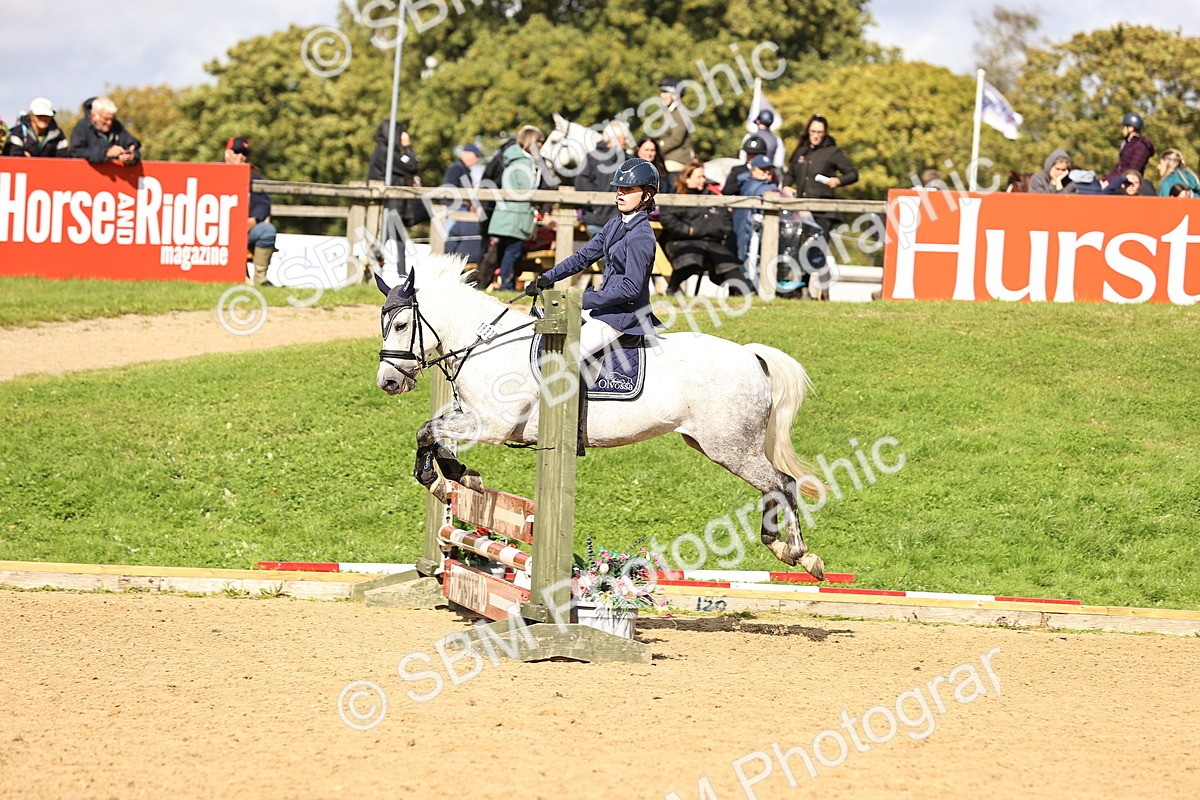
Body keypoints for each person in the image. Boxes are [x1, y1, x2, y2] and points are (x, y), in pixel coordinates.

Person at [525, 157, 662, 370]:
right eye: (619, 188)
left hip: (624, 317)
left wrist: (585, 299)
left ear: (647, 194)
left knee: (563, 359)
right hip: (606, 308)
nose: (620, 193)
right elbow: (582, 258)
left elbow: (631, 288)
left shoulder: (641, 236)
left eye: (629, 189)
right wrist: (546, 278)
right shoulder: (615, 224)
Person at [659, 160, 749, 296]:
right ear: (687, 178)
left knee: (731, 268)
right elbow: (667, 218)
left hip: (712, 244)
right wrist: (689, 230)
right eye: (699, 177)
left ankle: (740, 296)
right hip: (682, 242)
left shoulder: (712, 197)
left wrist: (701, 230)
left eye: (703, 176)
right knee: (691, 260)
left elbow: (725, 223)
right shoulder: (676, 197)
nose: (703, 180)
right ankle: (672, 289)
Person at [785, 114, 856, 279]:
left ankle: (823, 285)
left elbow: (852, 173)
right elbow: (790, 174)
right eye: (813, 131)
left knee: (816, 249)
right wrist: (785, 186)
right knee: (800, 248)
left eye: (819, 132)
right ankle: (802, 288)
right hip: (801, 210)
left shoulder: (832, 152)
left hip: (823, 212)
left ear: (825, 133)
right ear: (808, 131)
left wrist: (838, 180)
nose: (816, 135)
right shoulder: (801, 152)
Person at [486, 125, 544, 291]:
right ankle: (506, 286)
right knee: (513, 253)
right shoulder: (523, 163)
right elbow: (527, 188)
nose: (541, 145)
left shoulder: (517, 160)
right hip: (516, 215)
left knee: (507, 252)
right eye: (540, 141)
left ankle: (503, 284)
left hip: (509, 214)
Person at [223, 137, 277, 286]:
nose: (241, 157)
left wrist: (254, 219)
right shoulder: (214, 172)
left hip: (246, 229)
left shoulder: (254, 175)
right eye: (237, 152)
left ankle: (260, 279)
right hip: (218, 231)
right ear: (227, 153)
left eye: (244, 153)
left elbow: (264, 202)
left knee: (267, 230)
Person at [368, 120, 425, 228]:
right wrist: (408, 147)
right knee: (392, 236)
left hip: (387, 203)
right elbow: (412, 167)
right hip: (388, 203)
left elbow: (397, 171)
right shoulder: (386, 152)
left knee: (393, 238)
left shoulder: (383, 150)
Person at [722, 133, 769, 264]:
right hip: (741, 216)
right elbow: (727, 190)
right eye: (750, 154)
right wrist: (746, 178)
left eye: (756, 155)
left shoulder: (768, 171)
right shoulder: (737, 170)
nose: (752, 157)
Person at [577, 122, 629, 235]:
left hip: (622, 223)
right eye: (624, 138)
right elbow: (582, 183)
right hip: (597, 221)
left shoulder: (628, 160)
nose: (627, 142)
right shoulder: (591, 158)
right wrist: (596, 205)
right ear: (614, 139)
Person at [440, 144, 484, 265]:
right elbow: (448, 189)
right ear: (467, 154)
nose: (476, 160)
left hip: (459, 212)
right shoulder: (457, 169)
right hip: (454, 212)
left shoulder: (463, 170)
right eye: (476, 156)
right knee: (449, 246)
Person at [68, 96, 140, 166]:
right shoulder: (82, 127)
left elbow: (132, 145)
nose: (109, 123)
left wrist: (131, 156)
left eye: (112, 119)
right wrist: (106, 153)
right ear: (93, 116)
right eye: (105, 119)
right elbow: (76, 152)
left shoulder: (117, 126)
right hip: (86, 176)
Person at [655, 78, 695, 182]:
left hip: (676, 160)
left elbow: (676, 139)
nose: (661, 95)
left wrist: (656, 148)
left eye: (665, 92)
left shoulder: (680, 113)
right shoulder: (671, 113)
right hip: (668, 157)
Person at [1101, 112, 1155, 188]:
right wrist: (1105, 179)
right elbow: (1119, 167)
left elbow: (1132, 171)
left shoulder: (1141, 147)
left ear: (1131, 128)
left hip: (1129, 186)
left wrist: (1110, 182)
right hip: (1119, 181)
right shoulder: (1129, 144)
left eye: (1124, 127)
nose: (1122, 130)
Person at [4, 98, 69, 158]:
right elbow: (14, 157)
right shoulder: (18, 132)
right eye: (40, 116)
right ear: (31, 116)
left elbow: (64, 159)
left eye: (47, 116)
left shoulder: (58, 135)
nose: (44, 119)